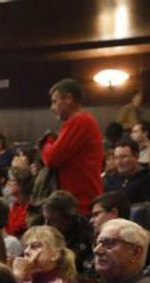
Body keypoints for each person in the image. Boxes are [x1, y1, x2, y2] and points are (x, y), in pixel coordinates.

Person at [40, 79, 104, 212]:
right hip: (75, 201)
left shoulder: (80, 121)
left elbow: (52, 158)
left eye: (54, 101)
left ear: (68, 98)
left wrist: (47, 142)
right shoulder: (79, 121)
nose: (52, 108)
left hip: (80, 203)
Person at [103, 139, 150, 204]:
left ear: (136, 156)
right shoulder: (109, 179)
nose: (119, 162)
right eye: (116, 157)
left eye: (123, 157)